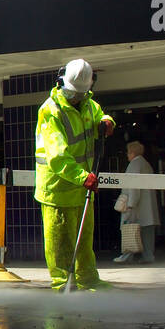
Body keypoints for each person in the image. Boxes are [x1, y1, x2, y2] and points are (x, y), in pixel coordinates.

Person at [35, 58, 115, 291]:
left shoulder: (89, 104)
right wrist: (83, 177)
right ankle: (62, 285)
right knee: (60, 242)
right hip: (57, 189)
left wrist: (108, 122)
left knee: (83, 241)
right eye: (72, 93)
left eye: (80, 94)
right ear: (60, 83)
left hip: (81, 189)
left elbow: (101, 115)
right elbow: (58, 156)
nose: (76, 98)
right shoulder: (51, 111)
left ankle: (88, 280)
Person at [114, 140, 161, 264]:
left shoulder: (134, 165)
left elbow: (133, 186)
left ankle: (126, 256)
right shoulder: (146, 164)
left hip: (138, 206)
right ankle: (148, 256)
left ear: (133, 153)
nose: (127, 155)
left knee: (129, 229)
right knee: (147, 232)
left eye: (128, 152)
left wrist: (131, 205)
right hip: (147, 206)